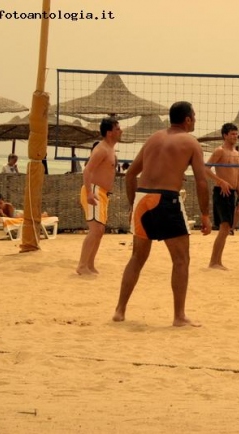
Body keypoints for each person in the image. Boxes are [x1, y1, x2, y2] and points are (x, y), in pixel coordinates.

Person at [113, 101, 213, 327]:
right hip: (166, 200)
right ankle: (179, 316)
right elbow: (201, 181)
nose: (195, 120)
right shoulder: (190, 142)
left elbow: (130, 176)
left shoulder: (153, 138)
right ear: (187, 119)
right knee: (181, 260)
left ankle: (120, 310)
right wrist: (205, 215)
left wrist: (132, 205)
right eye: (194, 117)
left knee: (137, 258)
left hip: (142, 199)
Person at [76, 117, 121, 275]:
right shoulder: (101, 149)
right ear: (109, 133)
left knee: (100, 230)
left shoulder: (110, 148)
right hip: (94, 190)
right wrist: (89, 192)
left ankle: (89, 264)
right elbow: (87, 170)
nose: (120, 131)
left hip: (102, 192)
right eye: (117, 129)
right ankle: (82, 265)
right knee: (95, 230)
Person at [206, 123, 239, 270]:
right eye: (232, 134)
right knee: (225, 227)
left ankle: (217, 261)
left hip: (232, 193)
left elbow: (238, 176)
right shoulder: (219, 151)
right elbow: (205, 169)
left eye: (236, 133)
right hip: (221, 192)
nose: (235, 136)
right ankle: (214, 262)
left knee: (227, 229)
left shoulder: (237, 154)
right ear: (225, 135)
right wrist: (220, 181)